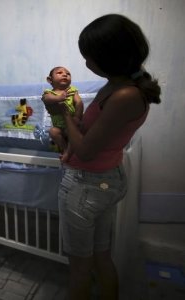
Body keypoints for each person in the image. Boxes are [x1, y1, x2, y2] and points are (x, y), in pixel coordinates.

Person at [57, 14, 161, 300]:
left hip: (86, 184)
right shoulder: (117, 86)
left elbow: (87, 151)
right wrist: (77, 124)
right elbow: (98, 135)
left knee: (80, 267)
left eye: (90, 57)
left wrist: (65, 116)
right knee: (101, 255)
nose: (87, 63)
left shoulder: (124, 94)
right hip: (101, 182)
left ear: (111, 57)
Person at [42, 66, 83, 162]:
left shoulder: (72, 90)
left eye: (68, 74)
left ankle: (69, 152)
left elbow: (79, 103)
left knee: (76, 131)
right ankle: (65, 149)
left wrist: (77, 117)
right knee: (53, 132)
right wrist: (58, 98)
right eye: (59, 73)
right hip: (59, 127)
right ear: (50, 80)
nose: (65, 74)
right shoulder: (49, 92)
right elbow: (46, 99)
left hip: (72, 124)